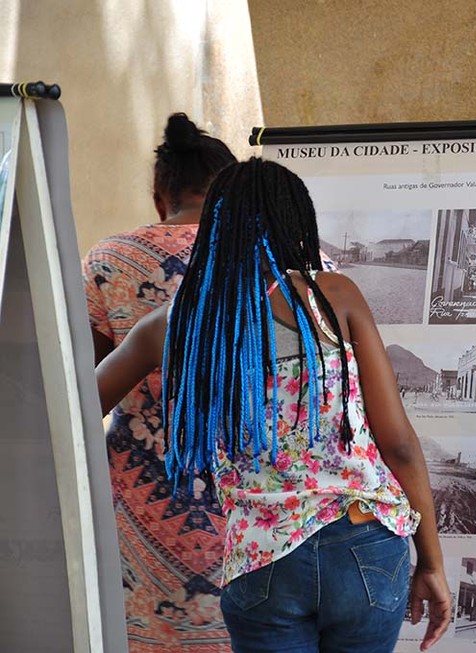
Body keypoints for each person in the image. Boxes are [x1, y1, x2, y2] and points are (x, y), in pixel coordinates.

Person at [96, 158, 451, 653]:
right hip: (365, 543)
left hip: (263, 558)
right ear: (297, 222)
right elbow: (400, 446)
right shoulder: (334, 297)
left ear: (216, 226)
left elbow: (73, 408)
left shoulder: (176, 325)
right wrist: (431, 563)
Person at [82, 113, 237, 650]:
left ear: (158, 194)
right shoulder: (284, 263)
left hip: (142, 498)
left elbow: (82, 390)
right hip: (249, 496)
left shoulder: (108, 261)